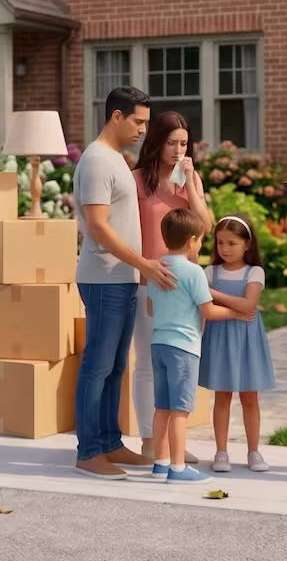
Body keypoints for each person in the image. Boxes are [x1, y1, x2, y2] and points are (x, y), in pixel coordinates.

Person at [72, 85, 177, 480]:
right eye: (138, 121)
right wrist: (143, 264)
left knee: (116, 366)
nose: (143, 130)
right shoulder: (98, 161)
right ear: (116, 116)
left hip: (123, 278)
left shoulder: (116, 158)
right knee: (97, 366)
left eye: (146, 123)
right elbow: (97, 226)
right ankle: (89, 451)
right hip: (104, 279)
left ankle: (111, 443)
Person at [129, 111, 214, 463]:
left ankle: (174, 443)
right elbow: (127, 232)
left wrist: (192, 185)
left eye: (183, 143)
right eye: (172, 143)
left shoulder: (189, 181)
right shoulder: (136, 181)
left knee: (180, 363)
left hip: (183, 288)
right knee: (148, 364)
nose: (178, 150)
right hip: (148, 284)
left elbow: (204, 226)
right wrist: (142, 270)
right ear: (157, 143)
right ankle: (151, 442)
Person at [145, 207, 250, 483]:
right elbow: (209, 312)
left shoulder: (157, 268)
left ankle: (160, 463)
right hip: (184, 349)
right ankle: (178, 468)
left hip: (158, 345)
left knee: (162, 408)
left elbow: (149, 307)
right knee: (180, 411)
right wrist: (238, 313)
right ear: (192, 240)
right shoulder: (193, 272)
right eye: (202, 239)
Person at [198, 215, 277, 473]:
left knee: (250, 398)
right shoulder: (210, 272)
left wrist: (214, 293)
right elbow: (236, 307)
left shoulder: (255, 272)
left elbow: (248, 305)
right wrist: (232, 303)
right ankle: (221, 452)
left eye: (232, 243)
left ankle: (254, 451)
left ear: (247, 245)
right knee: (221, 397)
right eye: (220, 243)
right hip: (219, 338)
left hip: (247, 340)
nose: (225, 248)